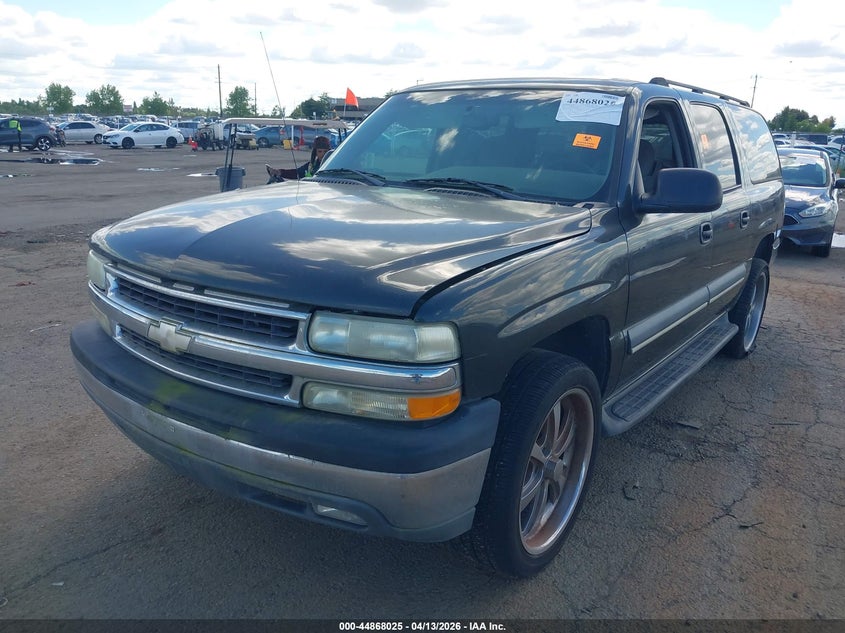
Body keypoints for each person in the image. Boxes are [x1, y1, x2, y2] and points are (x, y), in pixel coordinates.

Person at [265, 135, 332, 183]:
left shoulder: (334, 166)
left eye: (325, 151)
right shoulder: (310, 166)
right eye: (320, 151)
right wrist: (280, 172)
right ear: (315, 152)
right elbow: (297, 173)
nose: (323, 154)